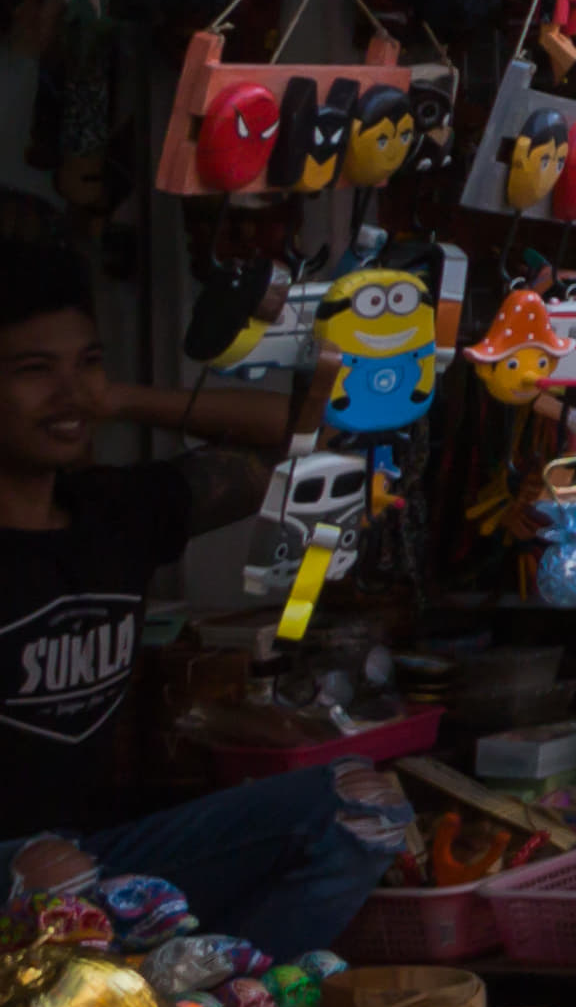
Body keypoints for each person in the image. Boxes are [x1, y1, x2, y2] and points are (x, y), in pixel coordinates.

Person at [0, 250, 371, 957]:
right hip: (23, 872)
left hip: (102, 854)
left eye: (88, 362)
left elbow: (309, 434)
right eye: (34, 370)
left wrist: (115, 400)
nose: (71, 391)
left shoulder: (114, 513)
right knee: (53, 872)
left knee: (355, 807)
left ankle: (216, 1000)